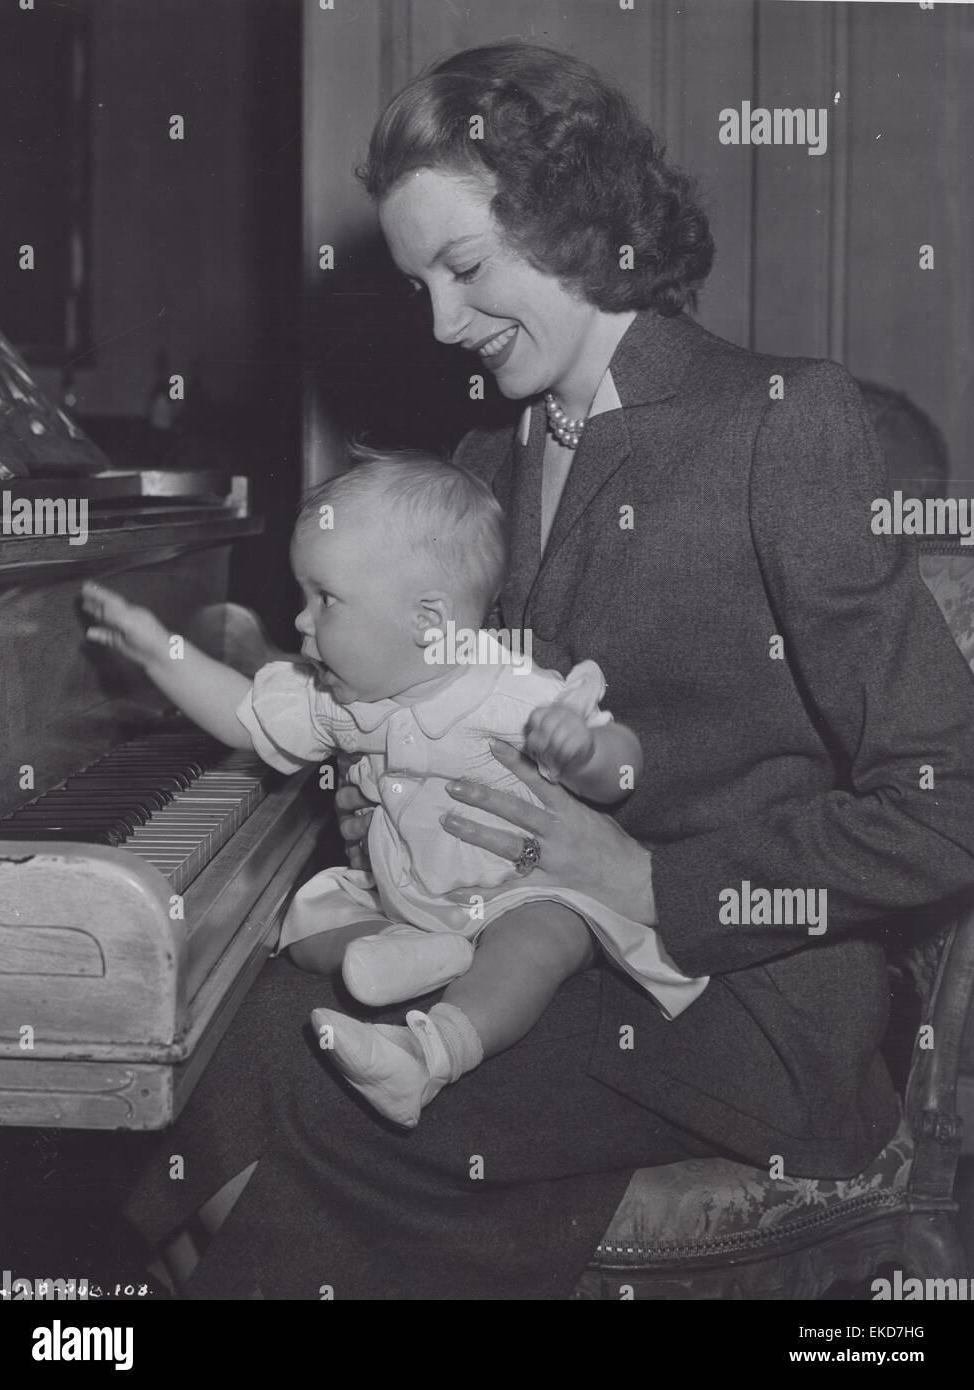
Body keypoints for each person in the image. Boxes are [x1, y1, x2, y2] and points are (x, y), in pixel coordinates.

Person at [120, 42, 974, 1300]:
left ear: (584, 222)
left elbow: (946, 799)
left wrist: (649, 876)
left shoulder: (779, 421)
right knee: (207, 1052)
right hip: (512, 944)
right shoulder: (486, 451)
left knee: (316, 1094)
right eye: (419, 283)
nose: (441, 322)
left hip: (738, 1003)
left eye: (463, 269)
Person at [82, 447, 704, 1131]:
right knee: (305, 924)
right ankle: (400, 953)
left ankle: (429, 1054)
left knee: (543, 939)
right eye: (303, 596)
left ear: (428, 623)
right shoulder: (344, 697)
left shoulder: (504, 687)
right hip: (402, 899)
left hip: (510, 893)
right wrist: (157, 651)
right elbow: (244, 714)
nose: (299, 622)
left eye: (326, 599)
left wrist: (584, 750)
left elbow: (625, 763)